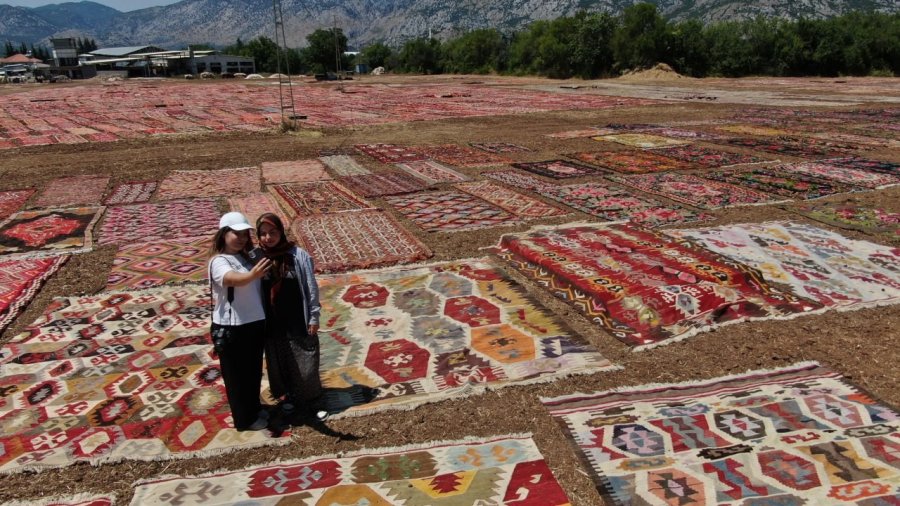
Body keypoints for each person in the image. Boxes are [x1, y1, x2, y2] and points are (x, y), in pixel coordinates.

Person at [255, 212, 328, 422]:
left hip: (297, 319)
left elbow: (310, 288)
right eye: (263, 234)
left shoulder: (297, 255)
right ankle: (288, 398)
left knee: (306, 365)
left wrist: (314, 316)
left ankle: (314, 402)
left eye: (273, 232)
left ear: (281, 232)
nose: (268, 238)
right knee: (279, 364)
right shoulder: (258, 257)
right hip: (273, 323)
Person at [208, 211, 272, 431]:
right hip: (232, 326)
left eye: (245, 234)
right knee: (237, 377)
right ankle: (244, 420)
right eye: (237, 234)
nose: (242, 238)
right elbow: (230, 279)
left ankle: (253, 408)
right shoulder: (219, 261)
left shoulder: (246, 257)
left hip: (253, 321)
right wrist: (252, 275)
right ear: (224, 234)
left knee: (253, 370)